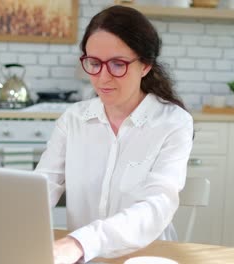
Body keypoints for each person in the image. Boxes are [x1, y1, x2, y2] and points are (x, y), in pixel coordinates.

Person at [35, 5, 194, 264]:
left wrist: (79, 242)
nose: (103, 77)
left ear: (145, 66)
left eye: (118, 64)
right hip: (83, 259)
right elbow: (41, 189)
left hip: (148, 257)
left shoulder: (173, 123)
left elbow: (157, 206)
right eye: (94, 63)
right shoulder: (73, 120)